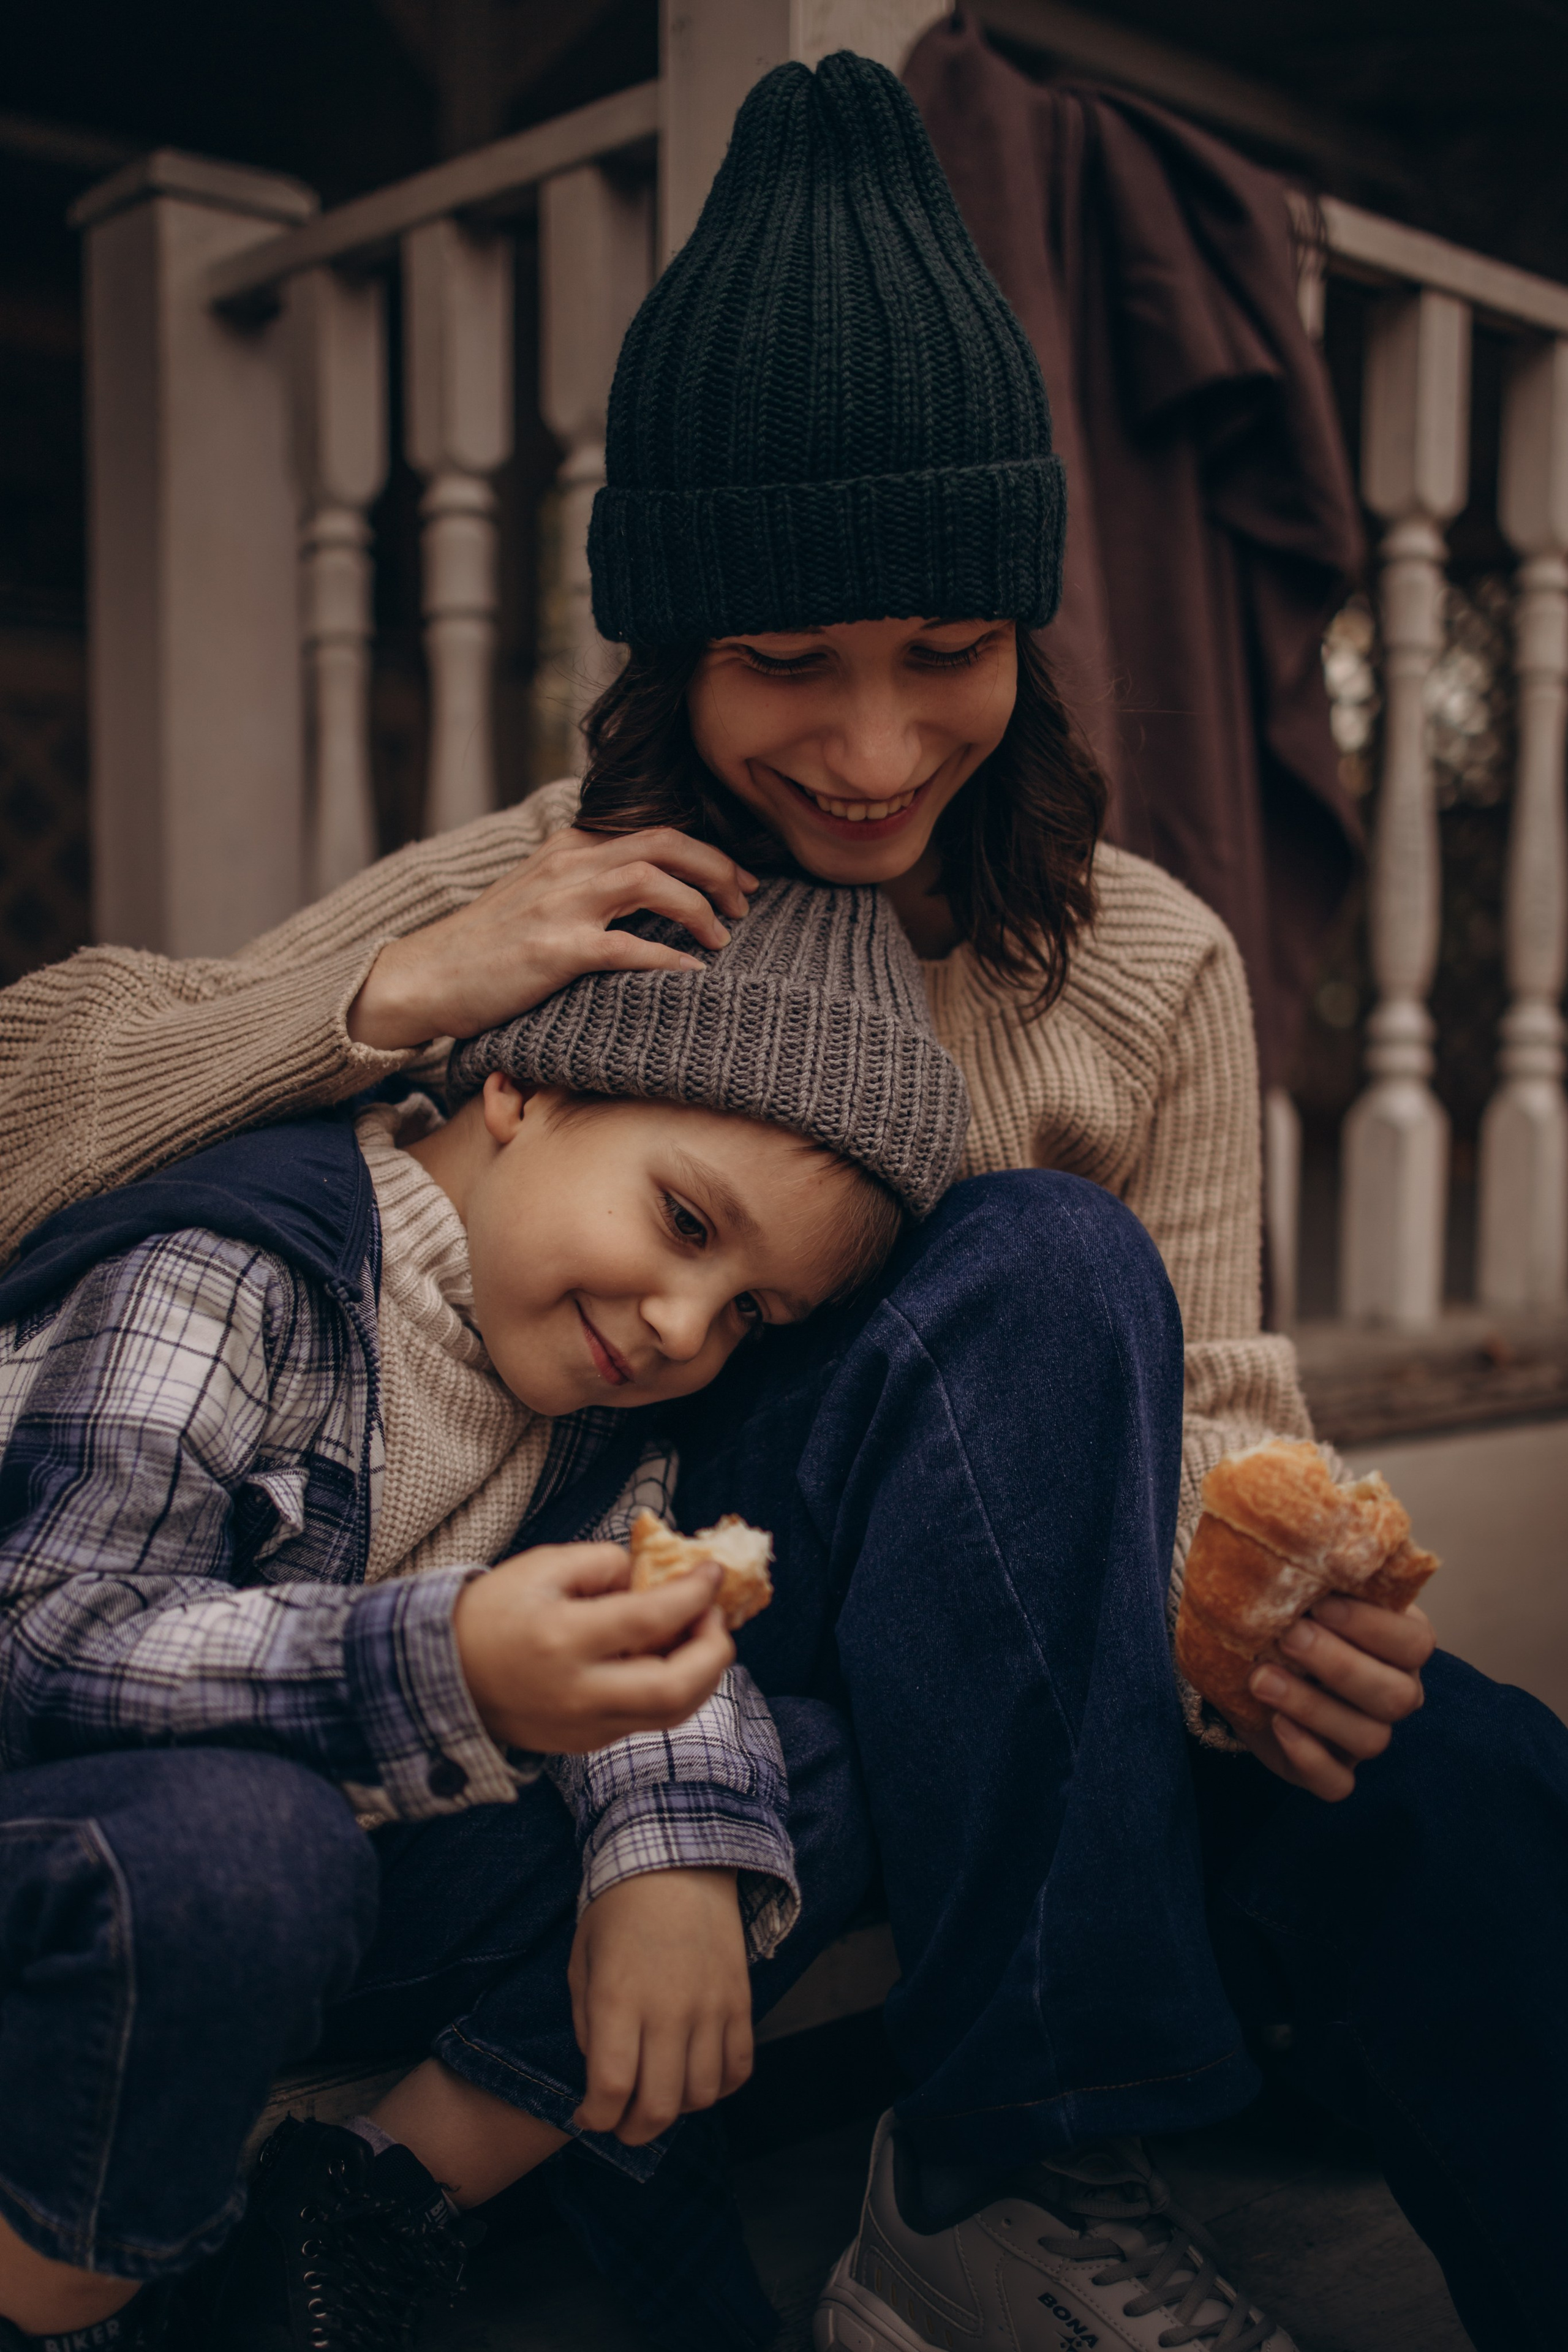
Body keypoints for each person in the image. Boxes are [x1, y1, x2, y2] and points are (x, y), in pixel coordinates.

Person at [1, 48, 1563, 2352]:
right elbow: (39, 1092)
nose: (867, 749)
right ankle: (1007, 2169)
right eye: (784, 666)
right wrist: (395, 983)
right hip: (671, 1581)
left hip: (1024, 1618)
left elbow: (1223, 1401)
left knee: (1470, 1793)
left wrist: (1254, 1580)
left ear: (1026, 632)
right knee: (1043, 1248)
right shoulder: (555, 911)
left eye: (945, 652)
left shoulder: (1149, 967)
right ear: (672, 649)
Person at [0, 880, 967, 2352]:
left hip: (323, 1906)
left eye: (752, 1314)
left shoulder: (578, 1396)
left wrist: (671, 1855)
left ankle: (355, 2206)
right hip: (90, 1877)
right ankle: (61, 2300)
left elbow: (654, 1646)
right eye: (686, 1220)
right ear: (519, 1085)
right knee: (255, 1847)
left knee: (794, 1778)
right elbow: (40, 1638)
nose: (682, 1330)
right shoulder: (235, 1270)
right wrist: (446, 1666)